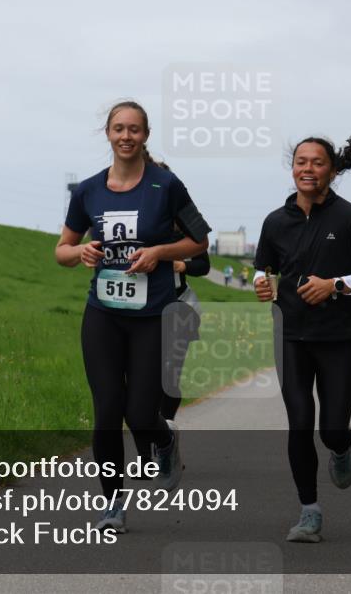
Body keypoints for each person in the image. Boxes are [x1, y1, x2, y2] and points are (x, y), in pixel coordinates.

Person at [55, 101, 211, 533]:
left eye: (135, 130)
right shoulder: (87, 191)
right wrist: (80, 251)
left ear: (146, 135)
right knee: (107, 410)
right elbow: (61, 250)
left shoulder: (166, 185)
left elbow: (200, 242)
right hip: (103, 313)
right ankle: (113, 505)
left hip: (153, 314)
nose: (126, 136)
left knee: (141, 414)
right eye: (119, 129)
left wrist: (160, 253)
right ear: (107, 133)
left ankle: (164, 440)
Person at [253, 125, 351, 543]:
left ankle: (342, 447)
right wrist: (262, 282)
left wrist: (336, 284)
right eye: (301, 162)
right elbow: (264, 268)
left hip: (337, 338)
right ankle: (309, 512)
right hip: (291, 336)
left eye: (317, 163)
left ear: (332, 171)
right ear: (292, 169)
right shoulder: (275, 221)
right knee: (298, 425)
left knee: (330, 428)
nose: (307, 169)